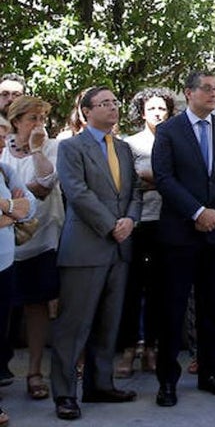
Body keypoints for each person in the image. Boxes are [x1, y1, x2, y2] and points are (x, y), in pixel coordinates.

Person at [151, 72, 215, 407]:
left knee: (212, 307)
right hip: (180, 233)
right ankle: (167, 381)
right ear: (188, 92)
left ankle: (209, 372)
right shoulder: (168, 131)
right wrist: (197, 212)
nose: (213, 94)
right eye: (207, 88)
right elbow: (164, 177)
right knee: (173, 308)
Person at [50, 86, 142, 419]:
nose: (113, 108)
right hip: (86, 247)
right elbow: (76, 191)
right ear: (86, 111)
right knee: (74, 325)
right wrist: (111, 225)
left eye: (115, 102)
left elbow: (135, 192)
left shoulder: (123, 148)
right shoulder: (71, 148)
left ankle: (99, 384)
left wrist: (130, 219)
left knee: (108, 323)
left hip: (120, 249)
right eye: (104, 104)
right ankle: (64, 393)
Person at [0, 95, 62, 401]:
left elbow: (43, 185)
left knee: (37, 306)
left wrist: (37, 149)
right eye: (32, 119)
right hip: (6, 243)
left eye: (42, 118)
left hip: (41, 240)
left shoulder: (51, 147)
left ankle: (35, 371)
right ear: (16, 122)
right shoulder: (2, 147)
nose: (39, 124)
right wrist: (16, 207)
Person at [116, 88, 175, 378]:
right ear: (142, 112)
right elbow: (129, 182)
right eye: (152, 108)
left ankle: (151, 347)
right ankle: (129, 348)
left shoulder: (175, 140)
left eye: (162, 108)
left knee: (159, 289)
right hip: (137, 223)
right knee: (132, 287)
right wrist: (162, 181)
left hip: (167, 222)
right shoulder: (130, 144)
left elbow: (178, 180)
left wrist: (155, 179)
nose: (157, 113)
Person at [0, 146, 35, 425]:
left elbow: (30, 206)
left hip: (4, 262)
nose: (1, 144)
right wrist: (12, 207)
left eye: (2, 138)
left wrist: (8, 209)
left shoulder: (5, 169)